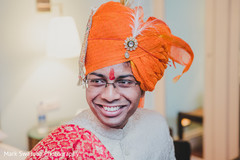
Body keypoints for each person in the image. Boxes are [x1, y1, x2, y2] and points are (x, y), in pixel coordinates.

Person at [26, 1, 193, 159]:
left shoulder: (156, 125)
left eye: (125, 82)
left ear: (142, 86)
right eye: (97, 81)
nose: (110, 95)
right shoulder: (66, 144)